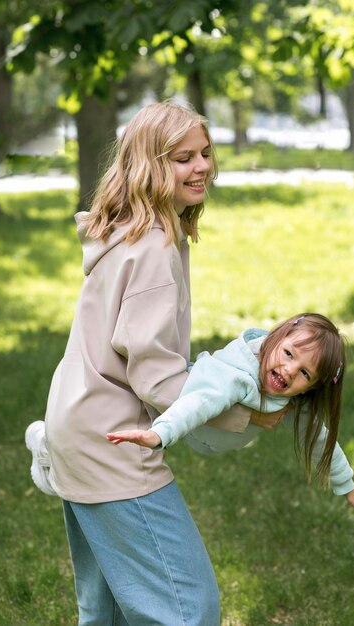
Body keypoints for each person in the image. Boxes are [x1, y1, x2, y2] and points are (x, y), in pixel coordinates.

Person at [25, 100, 259, 626]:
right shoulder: (153, 246)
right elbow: (154, 376)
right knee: (186, 610)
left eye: (204, 153)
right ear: (151, 166)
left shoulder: (131, 230)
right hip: (112, 443)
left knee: (105, 610)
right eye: (182, 158)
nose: (201, 166)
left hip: (76, 427)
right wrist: (244, 410)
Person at [107, 313, 354, 517]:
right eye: (288, 354)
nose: (289, 370)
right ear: (275, 337)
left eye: (305, 373)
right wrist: (158, 434)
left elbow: (321, 438)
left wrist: (347, 486)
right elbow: (196, 404)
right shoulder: (234, 378)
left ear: (312, 387)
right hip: (185, 412)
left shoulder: (293, 398)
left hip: (208, 437)